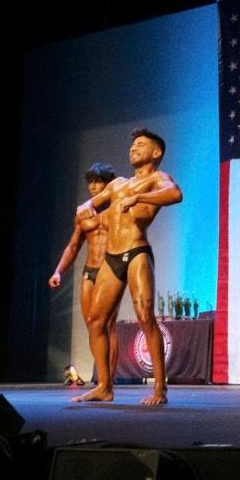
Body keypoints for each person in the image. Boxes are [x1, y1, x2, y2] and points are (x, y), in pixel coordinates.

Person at [71, 129, 182, 406]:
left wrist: (141, 198)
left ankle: (160, 388)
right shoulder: (118, 183)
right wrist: (85, 205)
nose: (134, 148)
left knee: (145, 316)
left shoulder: (157, 179)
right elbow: (92, 203)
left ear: (155, 153)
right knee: (96, 321)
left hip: (137, 252)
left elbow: (175, 194)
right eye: (132, 144)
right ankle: (105, 387)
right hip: (111, 256)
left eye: (141, 145)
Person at [49, 163, 119, 386]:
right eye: (91, 182)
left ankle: (108, 379)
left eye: (99, 182)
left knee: (107, 325)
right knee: (92, 324)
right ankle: (102, 377)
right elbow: (73, 246)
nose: (94, 187)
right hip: (90, 271)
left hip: (112, 270)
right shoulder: (82, 214)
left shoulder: (118, 209)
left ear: (108, 184)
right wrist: (58, 271)